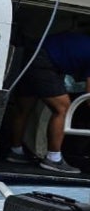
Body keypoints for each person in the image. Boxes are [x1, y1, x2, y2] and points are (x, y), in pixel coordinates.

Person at [7, 31, 90, 174]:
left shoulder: (82, 41)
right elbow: (89, 97)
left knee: (23, 109)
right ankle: (53, 159)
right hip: (44, 62)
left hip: (30, 54)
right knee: (63, 109)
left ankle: (16, 151)